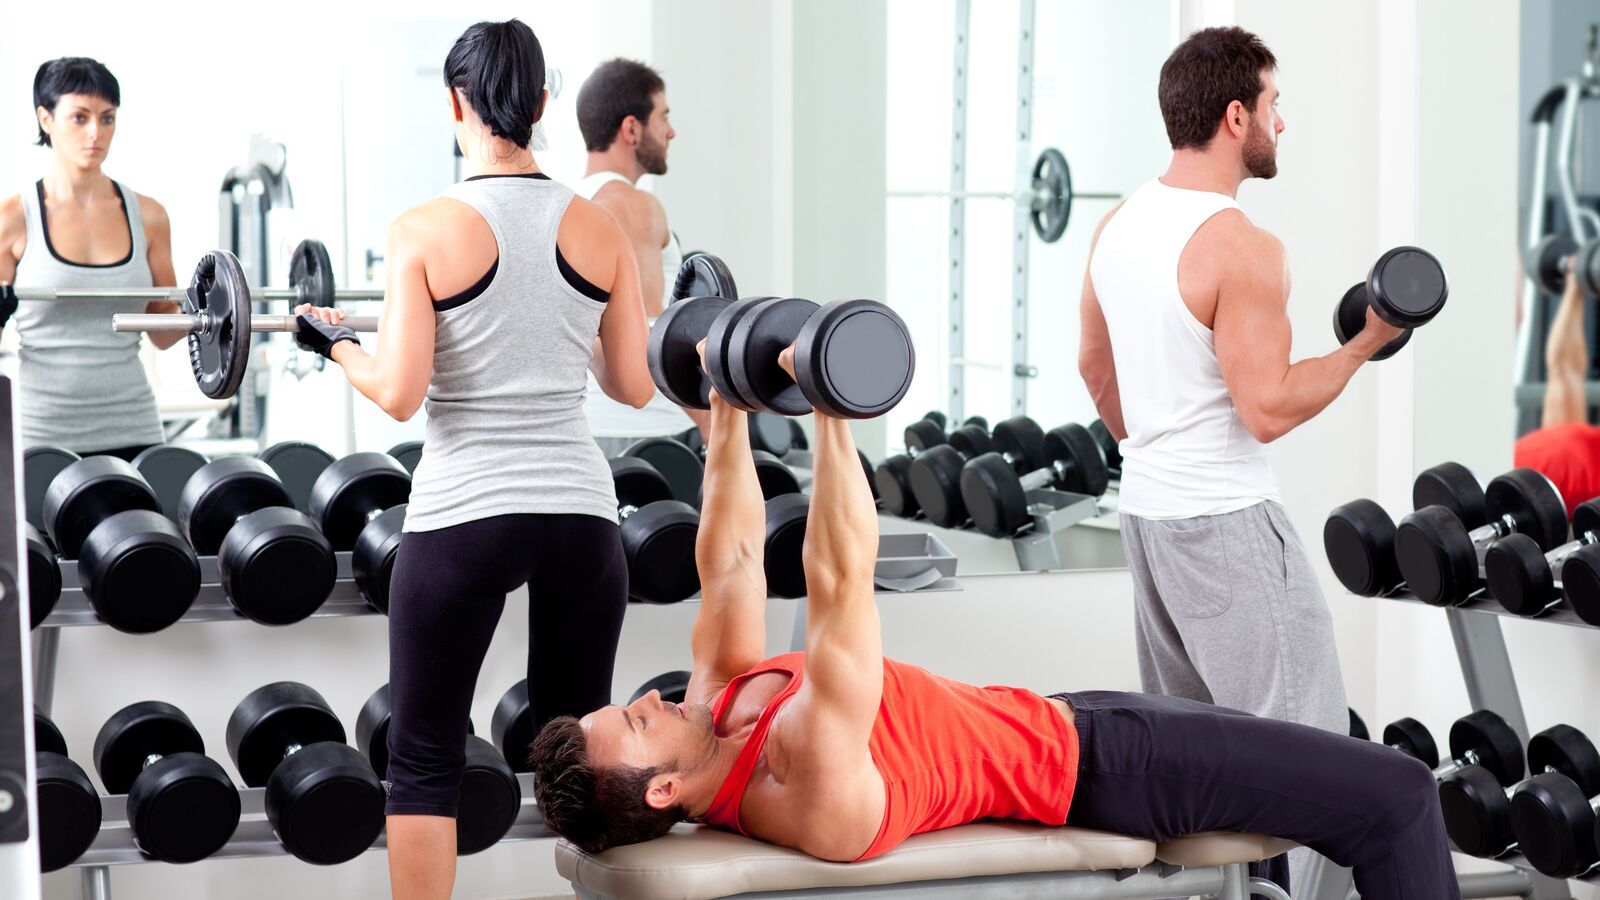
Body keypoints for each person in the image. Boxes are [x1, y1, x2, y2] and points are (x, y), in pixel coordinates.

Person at [525, 344, 1459, 900]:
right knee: (1399, 798)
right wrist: (833, 409)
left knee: (1324, 794)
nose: (651, 700)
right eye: (639, 721)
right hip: (1114, 769)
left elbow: (729, 563)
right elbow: (840, 581)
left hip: (1074, 719)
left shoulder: (719, 712)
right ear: (661, 791)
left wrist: (725, 410)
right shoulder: (796, 773)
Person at [294, 19, 654, 900]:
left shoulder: (424, 229)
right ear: (542, 102)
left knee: (424, 757)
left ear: (455, 103)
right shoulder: (600, 227)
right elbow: (634, 385)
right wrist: (559, 331)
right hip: (579, 516)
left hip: (465, 513)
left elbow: (399, 392)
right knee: (583, 752)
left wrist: (334, 344)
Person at [1077, 26, 1403, 738]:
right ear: (1235, 116)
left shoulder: (1116, 226)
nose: (1279, 122)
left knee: (1199, 755)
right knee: (1305, 754)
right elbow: (1268, 409)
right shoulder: (1242, 247)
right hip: (1226, 523)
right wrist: (1366, 343)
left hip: (1148, 520)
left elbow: (1094, 368)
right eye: (1271, 103)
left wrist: (1164, 454)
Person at [0, 57, 182, 458]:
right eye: (79, 117)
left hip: (134, 426)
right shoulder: (13, 219)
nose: (95, 132)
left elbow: (164, 333)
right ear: (46, 119)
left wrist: (208, 314)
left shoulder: (149, 216)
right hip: (41, 434)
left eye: (107, 118)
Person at [574, 58, 709, 450]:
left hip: (588, 428)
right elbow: (650, 339)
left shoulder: (568, 206)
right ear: (631, 128)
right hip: (651, 432)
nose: (671, 131)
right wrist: (713, 424)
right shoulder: (634, 206)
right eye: (662, 117)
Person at [1513, 263, 1600, 514]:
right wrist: (1575, 286)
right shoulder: (1579, 448)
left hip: (1516, 490)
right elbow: (1565, 368)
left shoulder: (1582, 480)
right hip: (1499, 475)